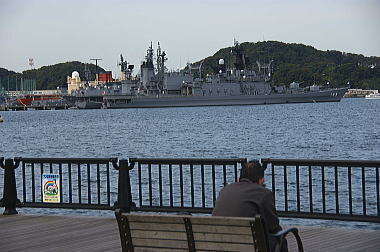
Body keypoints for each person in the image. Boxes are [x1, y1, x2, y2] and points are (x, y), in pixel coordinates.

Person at [212, 160, 287, 252]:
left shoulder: (224, 190)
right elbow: (273, 225)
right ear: (261, 180)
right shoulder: (263, 193)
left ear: (238, 179)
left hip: (220, 244)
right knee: (280, 239)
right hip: (249, 246)